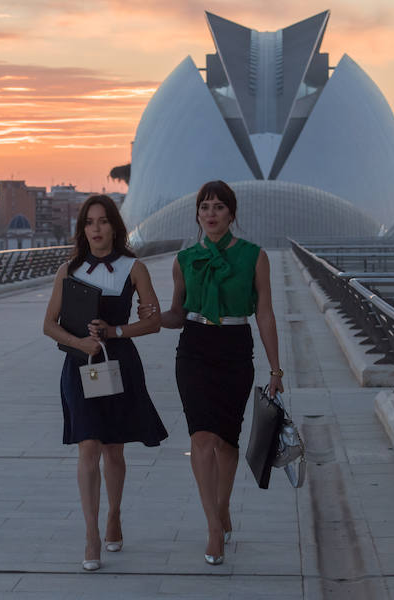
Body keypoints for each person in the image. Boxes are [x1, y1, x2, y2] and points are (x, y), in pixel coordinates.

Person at [148, 180, 283, 566]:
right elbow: (177, 312)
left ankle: (222, 505)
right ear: (197, 213)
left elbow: (266, 314)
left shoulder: (255, 257)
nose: (211, 214)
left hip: (235, 348)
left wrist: (276, 369)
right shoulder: (183, 259)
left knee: (227, 441)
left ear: (231, 214)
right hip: (194, 350)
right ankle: (212, 525)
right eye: (205, 207)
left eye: (219, 207)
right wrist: (150, 321)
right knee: (202, 436)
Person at [42, 194, 168, 572]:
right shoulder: (69, 269)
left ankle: (114, 514)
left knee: (114, 449)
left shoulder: (134, 267)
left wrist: (114, 330)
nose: (96, 229)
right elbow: (49, 324)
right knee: (88, 447)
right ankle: (92, 533)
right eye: (89, 222)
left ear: (114, 225)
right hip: (80, 366)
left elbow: (154, 320)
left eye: (102, 221)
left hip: (117, 364)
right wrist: (79, 342)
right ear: (83, 229)